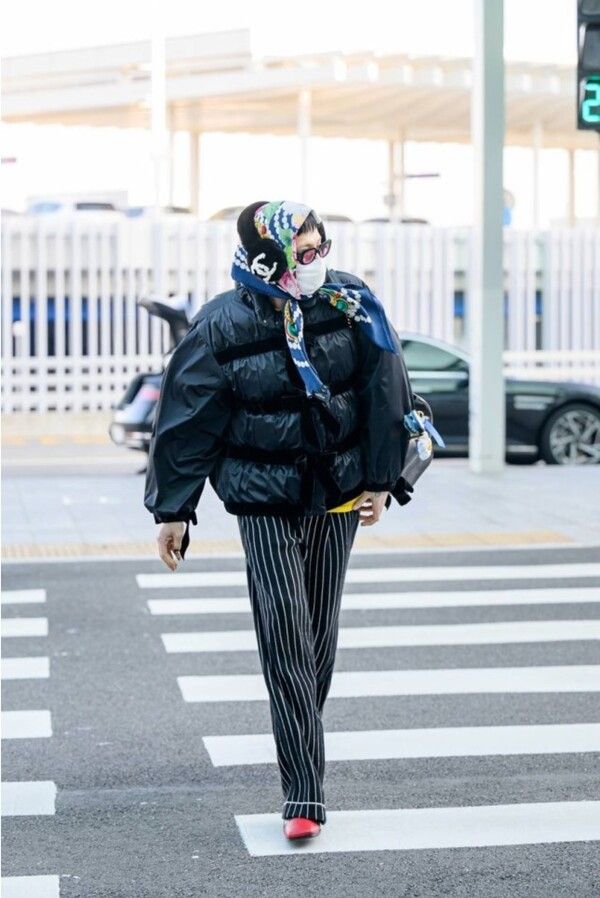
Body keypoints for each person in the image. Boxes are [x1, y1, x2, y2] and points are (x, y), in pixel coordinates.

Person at [144, 200, 417, 842]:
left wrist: (384, 478)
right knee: (284, 634)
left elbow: (385, 388)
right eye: (307, 252)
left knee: (317, 638)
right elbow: (188, 418)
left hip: (340, 493)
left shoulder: (351, 302)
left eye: (323, 247)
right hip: (263, 499)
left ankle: (300, 740)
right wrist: (173, 510)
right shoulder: (221, 323)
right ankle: (304, 792)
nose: (320, 261)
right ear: (270, 260)